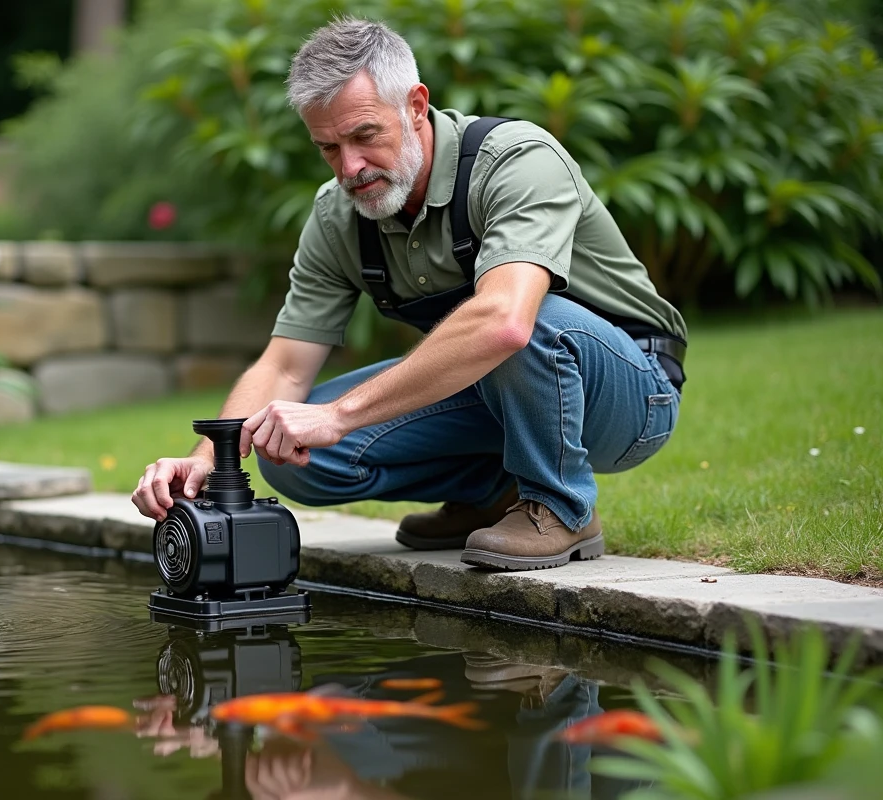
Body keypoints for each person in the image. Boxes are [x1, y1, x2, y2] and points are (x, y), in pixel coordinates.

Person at [132, 16, 688, 571]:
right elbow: (284, 365)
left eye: (364, 136)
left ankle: (560, 507)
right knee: (291, 453)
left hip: (630, 395)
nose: (349, 167)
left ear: (416, 106)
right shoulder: (337, 216)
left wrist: (342, 415)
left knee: (525, 319)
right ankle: (493, 497)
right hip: (496, 393)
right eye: (328, 147)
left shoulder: (516, 161)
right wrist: (207, 458)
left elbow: (506, 323)